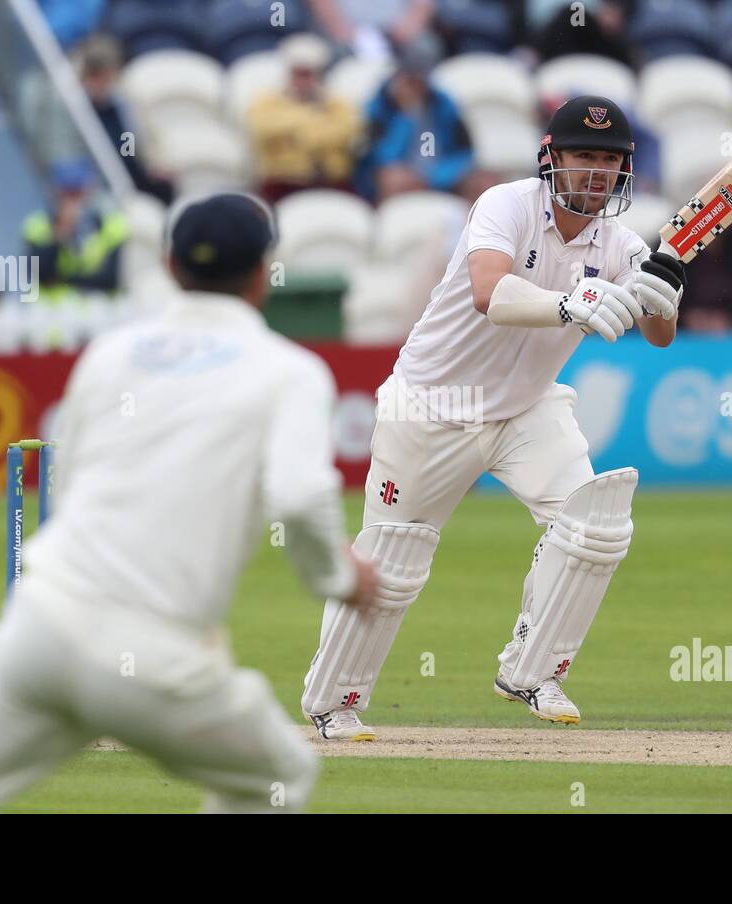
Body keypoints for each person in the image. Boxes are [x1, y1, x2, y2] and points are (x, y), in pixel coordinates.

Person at [0, 192, 378, 814]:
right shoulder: (290, 371)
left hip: (39, 627)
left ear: (168, 262)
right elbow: (298, 493)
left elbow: (66, 480)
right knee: (274, 777)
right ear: (264, 275)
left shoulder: (111, 353)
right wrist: (338, 578)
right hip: (153, 656)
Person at [301, 96, 685, 740]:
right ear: (551, 159)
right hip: (432, 404)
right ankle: (333, 699)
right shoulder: (505, 205)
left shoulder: (619, 242)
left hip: (527, 407)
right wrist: (570, 303)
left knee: (597, 525)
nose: (597, 173)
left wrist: (664, 295)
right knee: (393, 561)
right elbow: (490, 292)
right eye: (584, 157)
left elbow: (659, 336)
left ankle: (531, 670)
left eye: (610, 161)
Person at [355, 36, 495, 203]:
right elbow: (380, 159)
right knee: (391, 178)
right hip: (399, 176)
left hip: (439, 173)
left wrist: (435, 176)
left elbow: (465, 152)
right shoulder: (379, 105)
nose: (416, 83)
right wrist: (407, 116)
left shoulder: (443, 102)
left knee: (486, 182)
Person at [247, 33, 362, 203]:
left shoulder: (339, 103)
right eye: (298, 73)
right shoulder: (266, 102)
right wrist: (313, 118)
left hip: (332, 182)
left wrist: (295, 132)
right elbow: (261, 129)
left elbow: (348, 131)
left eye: (308, 74)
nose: (302, 81)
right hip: (282, 183)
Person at [78, 34, 174, 204]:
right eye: (100, 77)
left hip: (128, 173)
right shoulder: (78, 109)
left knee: (164, 187)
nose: (105, 84)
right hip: (94, 181)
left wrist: (152, 165)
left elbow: (129, 147)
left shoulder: (122, 105)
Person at [22, 159, 129, 299]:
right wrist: (61, 233)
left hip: (103, 316)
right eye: (67, 194)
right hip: (54, 317)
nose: (73, 202)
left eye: (78, 193)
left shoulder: (112, 225)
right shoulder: (37, 227)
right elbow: (40, 274)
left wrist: (62, 279)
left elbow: (111, 279)